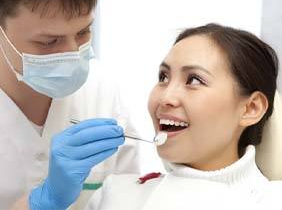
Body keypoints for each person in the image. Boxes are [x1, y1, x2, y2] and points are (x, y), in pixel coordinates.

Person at [84, 23, 281, 210]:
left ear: (251, 108)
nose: (166, 97)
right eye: (163, 77)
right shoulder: (115, 195)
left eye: (194, 80)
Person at [0, 0, 140, 210]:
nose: (73, 54)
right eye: (49, 42)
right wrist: (41, 203)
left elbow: (129, 197)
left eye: (83, 32)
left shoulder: (101, 90)